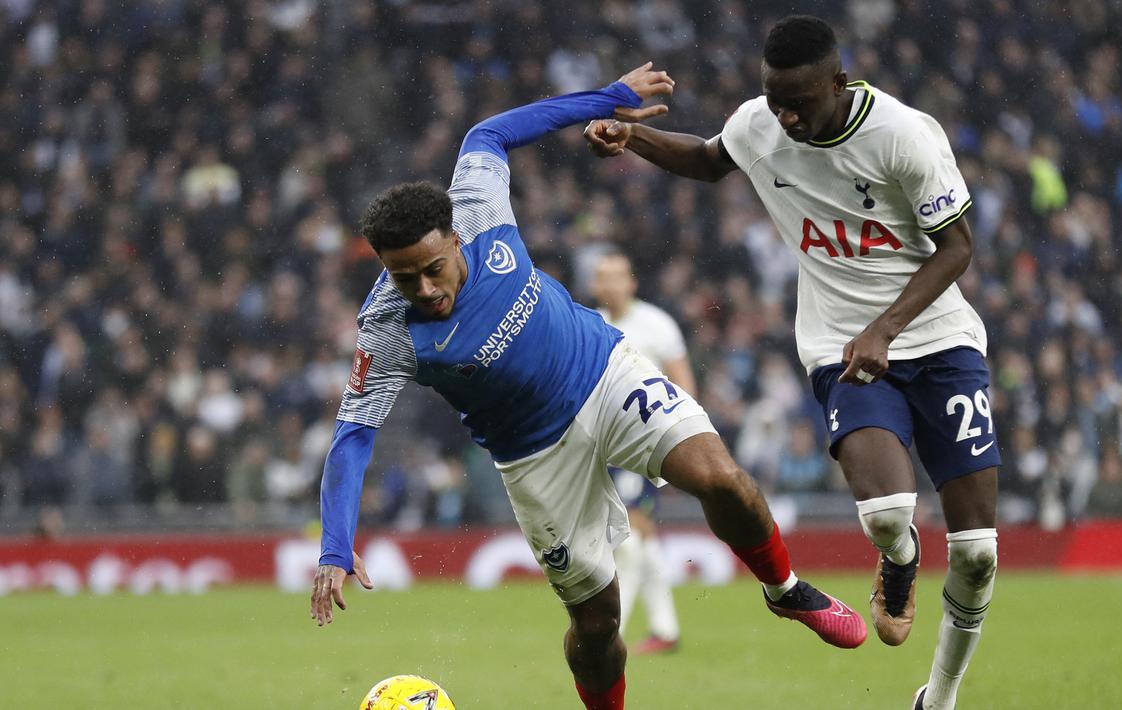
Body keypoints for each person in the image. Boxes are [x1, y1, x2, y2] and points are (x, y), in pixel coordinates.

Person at [309, 63, 867, 710]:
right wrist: (334, 545)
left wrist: (611, 98)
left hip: (603, 373)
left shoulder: (479, 205)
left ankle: (785, 589)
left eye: (434, 269)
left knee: (720, 478)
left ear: (456, 238)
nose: (425, 290)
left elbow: (488, 132)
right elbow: (352, 436)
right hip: (533, 456)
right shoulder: (385, 330)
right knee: (597, 621)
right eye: (405, 279)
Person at [584, 17, 1000, 710]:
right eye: (774, 97)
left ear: (839, 82)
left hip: (940, 342)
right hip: (839, 344)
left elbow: (956, 246)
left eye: (800, 100)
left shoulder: (902, 134)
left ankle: (940, 698)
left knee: (979, 551)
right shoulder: (761, 124)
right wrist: (635, 137)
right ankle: (897, 558)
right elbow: (709, 159)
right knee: (888, 513)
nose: (786, 115)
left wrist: (887, 327)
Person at [590, 251, 692, 655]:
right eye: (602, 276)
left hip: (646, 445)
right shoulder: (591, 323)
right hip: (604, 448)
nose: (609, 284)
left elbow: (684, 384)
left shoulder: (656, 325)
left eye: (616, 276)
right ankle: (666, 631)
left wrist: (682, 444)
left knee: (629, 539)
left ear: (632, 282)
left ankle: (611, 634)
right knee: (642, 541)